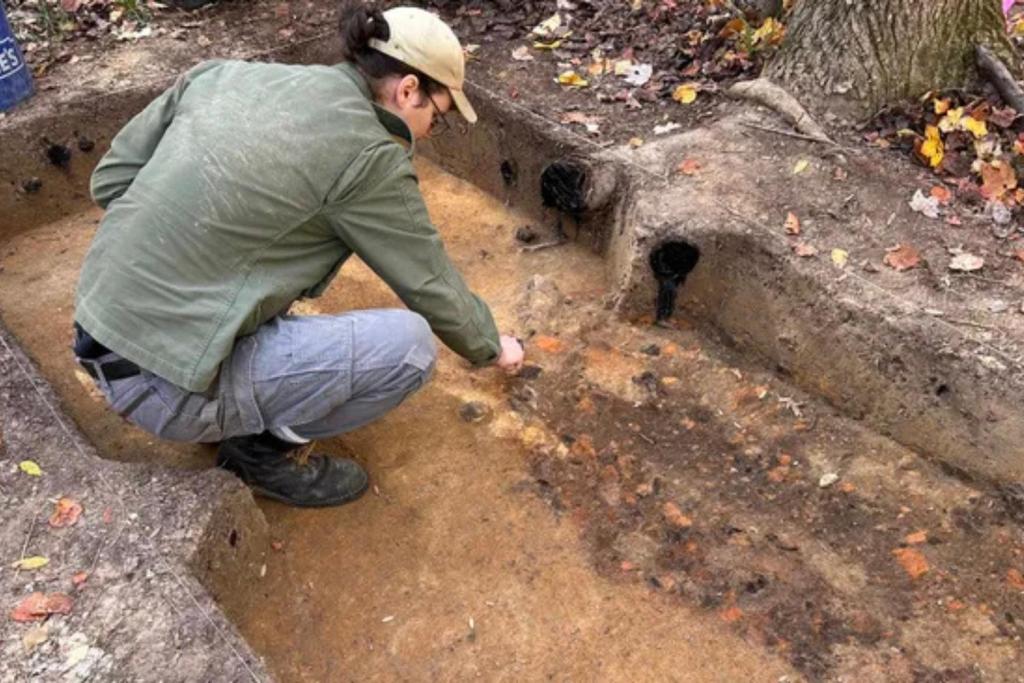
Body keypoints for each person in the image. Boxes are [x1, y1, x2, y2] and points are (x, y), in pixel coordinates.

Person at [72, 2, 524, 508]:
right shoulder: (369, 156)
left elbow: (110, 182)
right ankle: (259, 453)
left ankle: (213, 396)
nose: (429, 132)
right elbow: (428, 282)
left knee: (267, 248)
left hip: (94, 326)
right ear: (408, 90)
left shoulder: (226, 76)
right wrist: (490, 346)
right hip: (158, 385)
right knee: (408, 348)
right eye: (437, 118)